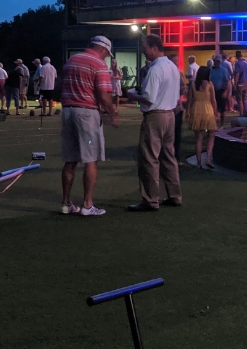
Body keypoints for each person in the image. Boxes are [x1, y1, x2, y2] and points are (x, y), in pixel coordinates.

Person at [58, 36, 119, 216]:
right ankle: (87, 205)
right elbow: (103, 93)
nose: (107, 57)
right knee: (91, 158)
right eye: (107, 54)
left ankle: (66, 203)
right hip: (87, 113)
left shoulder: (71, 60)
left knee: (70, 159)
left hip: (68, 111)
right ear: (103, 49)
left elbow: (60, 85)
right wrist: (112, 114)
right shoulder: (98, 64)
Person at [127, 34, 183, 211]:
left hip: (155, 116)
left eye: (145, 48)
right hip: (170, 114)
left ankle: (151, 199)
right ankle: (174, 195)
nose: (144, 51)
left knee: (149, 158)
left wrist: (131, 95)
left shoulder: (155, 69)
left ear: (153, 48)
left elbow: (149, 98)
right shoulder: (173, 67)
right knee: (169, 157)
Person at [186, 66, 218, 169]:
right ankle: (208, 158)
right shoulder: (209, 84)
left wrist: (188, 112)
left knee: (199, 138)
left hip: (196, 110)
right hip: (207, 110)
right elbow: (213, 100)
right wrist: (216, 112)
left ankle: (198, 162)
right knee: (211, 134)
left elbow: (189, 101)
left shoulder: (193, 85)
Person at [209, 55, 232, 128]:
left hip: (221, 90)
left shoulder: (224, 70)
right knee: (212, 108)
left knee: (222, 109)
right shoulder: (210, 70)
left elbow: (228, 82)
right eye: (216, 61)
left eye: (219, 61)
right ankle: (213, 124)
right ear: (214, 61)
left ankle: (222, 124)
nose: (217, 63)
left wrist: (225, 92)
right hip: (212, 91)